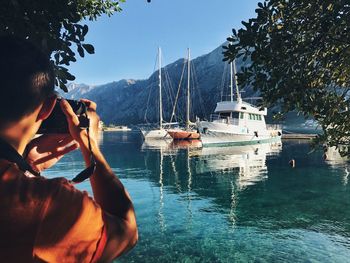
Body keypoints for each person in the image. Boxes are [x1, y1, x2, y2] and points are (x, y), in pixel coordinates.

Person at [0, 36, 137, 262]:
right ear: (47, 108)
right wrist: (90, 146)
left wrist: (27, 163)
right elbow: (127, 232)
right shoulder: (44, 204)